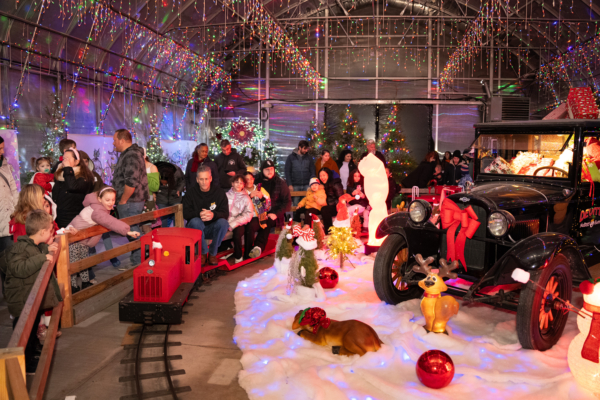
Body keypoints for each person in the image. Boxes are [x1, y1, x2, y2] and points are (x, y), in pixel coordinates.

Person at [3, 209, 62, 373]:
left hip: (29, 297)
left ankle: (33, 351)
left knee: (33, 327)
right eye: (50, 230)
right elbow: (18, 268)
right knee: (23, 334)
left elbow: (35, 254)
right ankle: (26, 363)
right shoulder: (21, 248)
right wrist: (42, 257)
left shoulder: (33, 246)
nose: (51, 233)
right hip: (21, 300)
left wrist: (47, 249)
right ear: (42, 232)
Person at [65, 187, 140, 293]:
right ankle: (72, 286)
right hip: (74, 238)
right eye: (107, 200)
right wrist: (127, 231)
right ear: (100, 199)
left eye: (113, 200)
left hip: (82, 238)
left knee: (83, 262)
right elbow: (110, 222)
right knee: (74, 263)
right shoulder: (98, 211)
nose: (111, 203)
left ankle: (85, 282)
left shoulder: (100, 207)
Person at [112, 129, 148, 267]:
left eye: (115, 140)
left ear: (122, 140)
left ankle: (141, 260)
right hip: (131, 200)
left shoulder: (131, 155)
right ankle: (138, 258)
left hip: (130, 201)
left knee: (131, 231)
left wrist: (123, 200)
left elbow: (131, 181)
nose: (113, 143)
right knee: (131, 230)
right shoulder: (130, 154)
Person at [182, 166, 229, 266]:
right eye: (201, 179)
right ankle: (203, 252)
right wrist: (199, 214)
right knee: (195, 221)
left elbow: (225, 213)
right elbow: (185, 214)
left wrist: (213, 215)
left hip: (212, 228)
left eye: (206, 179)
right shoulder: (190, 193)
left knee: (224, 223)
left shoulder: (219, 192)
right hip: (196, 229)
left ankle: (212, 253)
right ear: (197, 180)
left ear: (210, 178)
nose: (204, 182)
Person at [247, 160, 291, 258]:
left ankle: (258, 247)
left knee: (266, 221)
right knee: (250, 225)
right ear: (262, 170)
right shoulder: (255, 180)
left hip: (274, 213)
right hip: (256, 212)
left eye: (271, 169)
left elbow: (287, 202)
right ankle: (247, 250)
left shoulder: (280, 183)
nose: (270, 171)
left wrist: (276, 213)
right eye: (267, 169)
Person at [52, 148, 95, 228]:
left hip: (73, 217)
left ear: (77, 161)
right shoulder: (61, 174)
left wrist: (68, 168)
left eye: (68, 158)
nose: (65, 161)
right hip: (59, 216)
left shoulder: (84, 177)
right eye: (64, 158)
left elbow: (72, 187)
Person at [225, 174, 253, 264]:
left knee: (237, 234)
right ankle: (225, 249)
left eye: (241, 183)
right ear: (232, 183)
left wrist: (233, 223)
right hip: (225, 220)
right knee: (219, 230)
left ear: (243, 185)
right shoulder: (226, 195)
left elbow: (249, 214)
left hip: (239, 222)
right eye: (237, 182)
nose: (239, 184)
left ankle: (238, 256)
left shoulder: (246, 197)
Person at [243, 171, 270, 259]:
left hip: (261, 215)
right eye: (246, 179)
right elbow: (239, 206)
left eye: (251, 179)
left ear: (253, 179)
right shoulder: (241, 191)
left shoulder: (260, 189)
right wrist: (249, 196)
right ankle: (248, 253)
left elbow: (269, 206)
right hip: (247, 216)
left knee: (268, 222)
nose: (249, 181)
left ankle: (258, 247)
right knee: (250, 226)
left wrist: (262, 198)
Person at [0, 135, 20, 254]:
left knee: (8, 257)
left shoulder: (6, 166)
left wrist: (16, 210)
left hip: (7, 219)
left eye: (3, 148)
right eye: (0, 148)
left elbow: (13, 189)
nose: (2, 152)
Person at [285, 140, 315, 206]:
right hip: (295, 185)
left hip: (307, 185)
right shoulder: (290, 157)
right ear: (299, 147)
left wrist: (311, 184)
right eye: (304, 148)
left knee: (306, 204)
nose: (306, 150)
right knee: (296, 205)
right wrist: (289, 184)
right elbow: (287, 171)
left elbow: (312, 171)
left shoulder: (309, 158)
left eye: (307, 149)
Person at [156, 162, 185, 228]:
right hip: (161, 198)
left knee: (177, 217)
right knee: (162, 218)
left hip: (175, 197)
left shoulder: (177, 172)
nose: (164, 185)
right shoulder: (156, 171)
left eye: (165, 183)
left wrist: (179, 190)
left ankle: (178, 232)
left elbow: (182, 181)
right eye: (162, 183)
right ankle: (163, 233)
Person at [319, 167, 344, 232]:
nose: (322, 177)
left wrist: (330, 204)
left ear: (328, 175)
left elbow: (341, 198)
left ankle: (329, 231)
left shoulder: (335, 183)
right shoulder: (322, 185)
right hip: (326, 205)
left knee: (325, 210)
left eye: (324, 175)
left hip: (336, 206)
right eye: (320, 176)